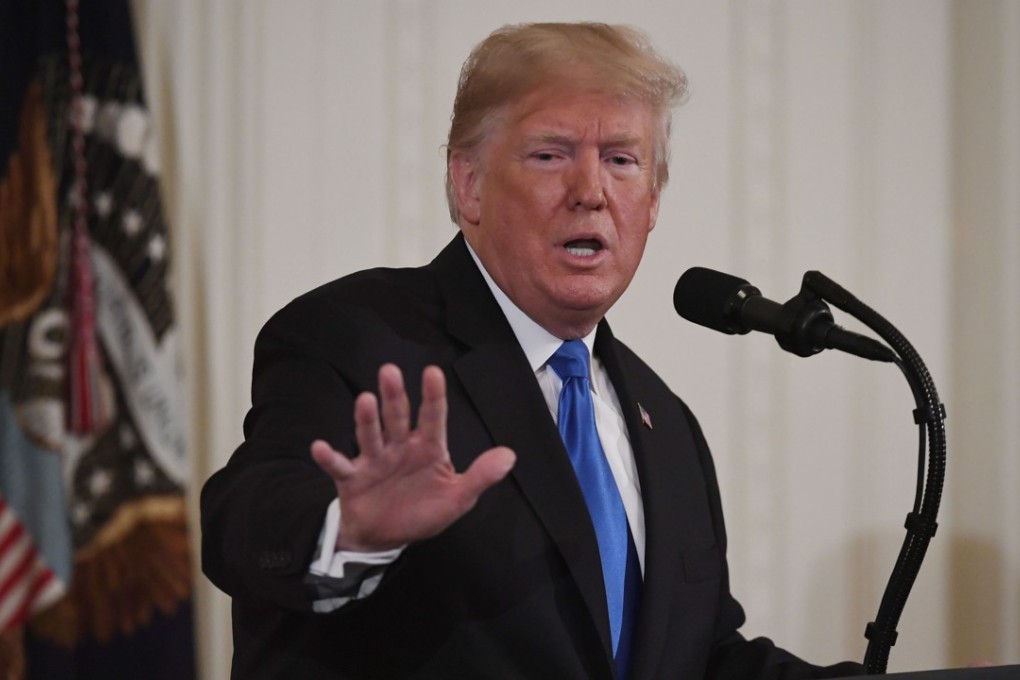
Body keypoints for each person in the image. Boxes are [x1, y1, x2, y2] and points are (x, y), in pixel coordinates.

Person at [200, 22, 865, 680]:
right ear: (469, 186)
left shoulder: (668, 427)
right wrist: (350, 530)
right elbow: (241, 522)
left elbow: (701, 655)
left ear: (653, 202)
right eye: (550, 154)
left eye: (622, 160)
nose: (591, 190)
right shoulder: (357, 338)